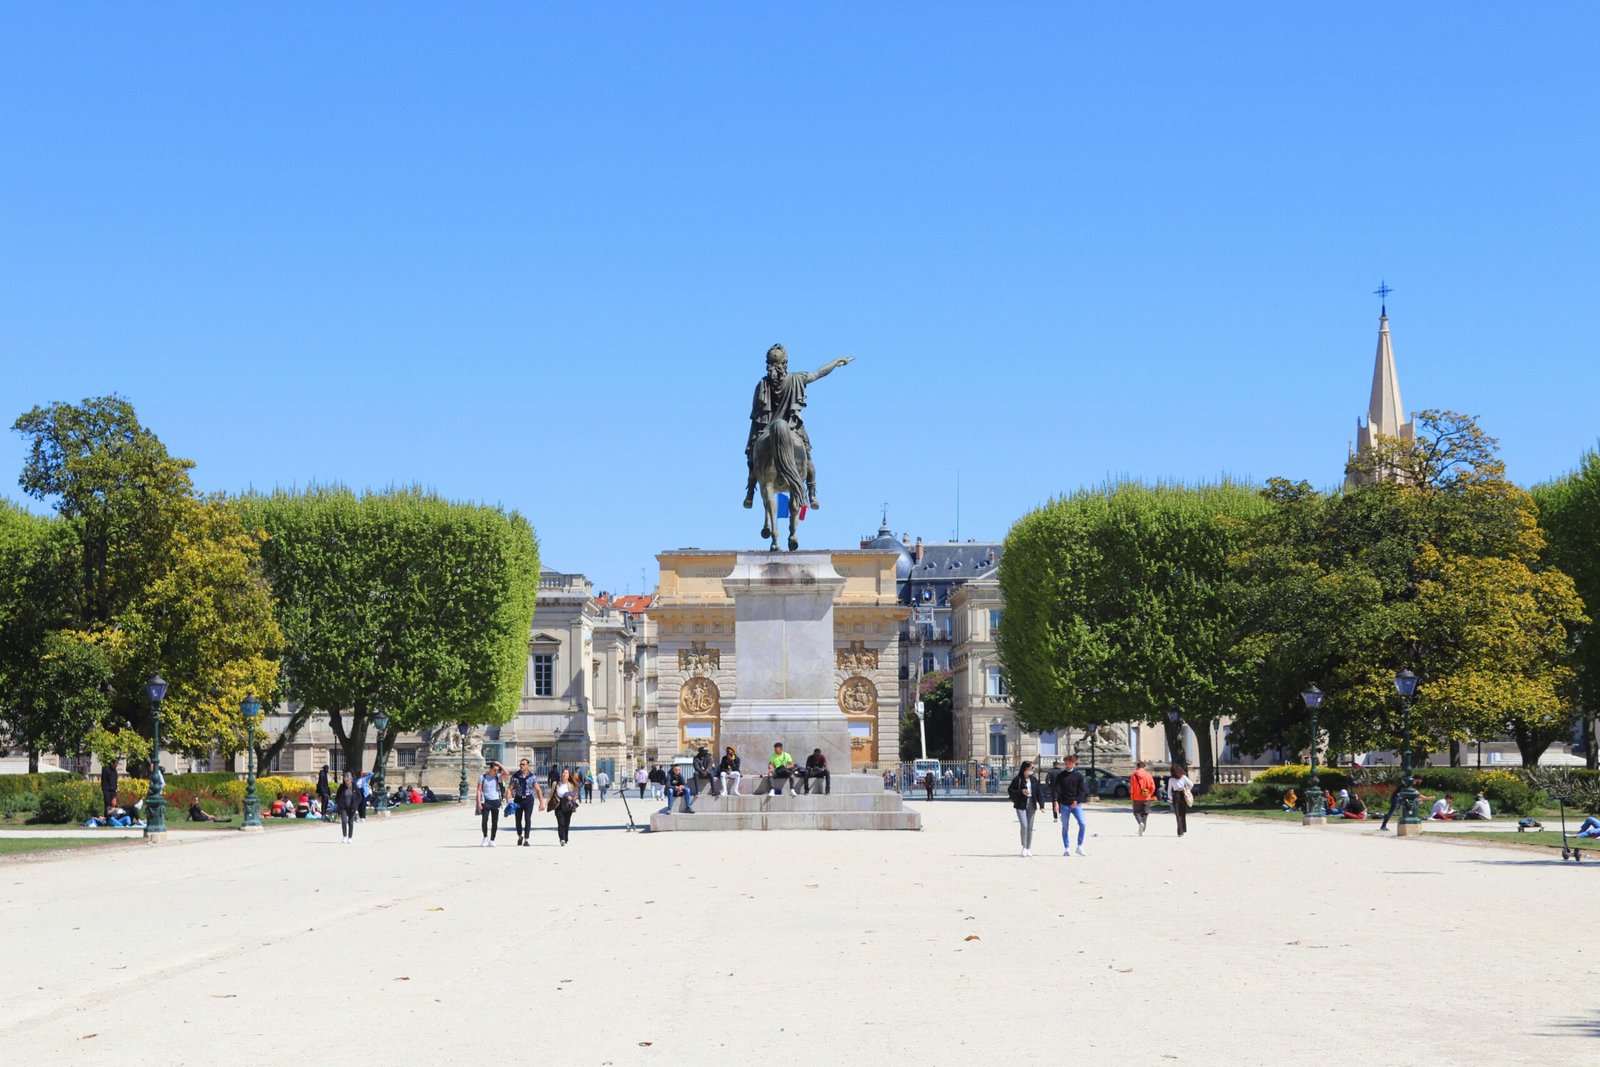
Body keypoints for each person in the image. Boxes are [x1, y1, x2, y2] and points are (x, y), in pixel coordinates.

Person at [1053, 754, 1089, 855]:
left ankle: (1079, 845)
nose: (1067, 765)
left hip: (1076, 804)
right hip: (1064, 804)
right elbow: (1056, 790)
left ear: (1074, 763)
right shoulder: (1060, 776)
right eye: (1066, 763)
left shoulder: (1079, 776)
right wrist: (1055, 801)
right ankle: (1066, 847)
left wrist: (1077, 801)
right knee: (1065, 826)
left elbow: (1083, 791)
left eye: (1069, 763)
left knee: (1082, 824)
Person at [1008, 761, 1043, 857]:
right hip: (1021, 804)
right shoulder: (1018, 779)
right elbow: (1010, 790)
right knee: (1024, 825)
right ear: (1026, 769)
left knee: (1030, 827)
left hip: (1031, 803)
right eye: (1032, 768)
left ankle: (1028, 848)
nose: (1033, 769)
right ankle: (1023, 846)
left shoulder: (1034, 779)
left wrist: (1042, 805)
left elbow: (1039, 792)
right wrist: (1021, 791)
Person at [509, 758, 545, 847]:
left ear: (528, 766)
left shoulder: (532, 777)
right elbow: (510, 789)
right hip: (518, 799)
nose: (521, 766)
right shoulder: (515, 776)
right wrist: (508, 801)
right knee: (518, 819)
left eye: (523, 764)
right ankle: (520, 836)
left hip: (528, 800)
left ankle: (526, 839)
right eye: (520, 764)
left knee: (527, 819)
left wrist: (541, 803)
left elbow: (538, 790)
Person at [476, 761, 507, 846]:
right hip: (485, 801)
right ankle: (485, 837)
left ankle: (492, 840)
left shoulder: (497, 777)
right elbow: (479, 790)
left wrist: (500, 764)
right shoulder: (483, 777)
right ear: (490, 769)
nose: (495, 772)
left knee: (495, 822)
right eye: (494, 770)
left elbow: (507, 773)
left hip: (495, 801)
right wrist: (478, 803)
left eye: (497, 770)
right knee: (485, 820)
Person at [1129, 760, 1157, 836]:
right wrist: (1150, 794)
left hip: (1136, 796)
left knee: (1136, 812)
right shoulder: (1148, 775)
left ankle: (1140, 822)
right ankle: (1143, 830)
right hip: (1146, 797)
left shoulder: (1134, 775)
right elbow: (1153, 787)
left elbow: (1131, 786)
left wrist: (1131, 795)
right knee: (1145, 813)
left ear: (1137, 766)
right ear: (1144, 767)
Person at [551, 769, 579, 844]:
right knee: (561, 822)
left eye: (566, 773)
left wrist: (572, 798)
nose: (564, 774)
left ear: (569, 775)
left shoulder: (571, 785)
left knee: (567, 822)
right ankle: (561, 839)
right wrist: (544, 804)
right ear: (561, 774)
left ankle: (565, 837)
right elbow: (551, 795)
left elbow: (576, 795)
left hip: (568, 804)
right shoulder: (556, 784)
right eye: (563, 772)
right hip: (558, 804)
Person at [1168, 762, 1194, 837]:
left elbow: (1169, 791)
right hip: (1182, 794)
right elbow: (1191, 784)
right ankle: (1181, 830)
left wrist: (1170, 798)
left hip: (1176, 795)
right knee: (1182, 813)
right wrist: (1187, 790)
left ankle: (1181, 831)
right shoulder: (1183, 777)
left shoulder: (1171, 779)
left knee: (1178, 814)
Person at [335, 771, 358, 843]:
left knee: (351, 822)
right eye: (346, 780)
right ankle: (344, 836)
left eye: (348, 780)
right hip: (343, 807)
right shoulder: (342, 787)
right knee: (344, 821)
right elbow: (337, 797)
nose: (347, 781)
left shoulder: (354, 786)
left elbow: (359, 797)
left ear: (351, 779)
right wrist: (339, 804)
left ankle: (350, 837)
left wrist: (355, 805)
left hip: (352, 807)